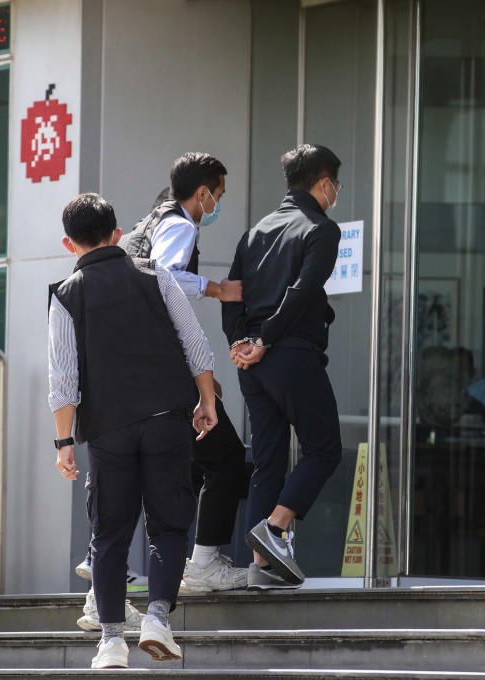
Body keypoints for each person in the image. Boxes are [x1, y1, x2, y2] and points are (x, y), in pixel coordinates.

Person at [48, 193, 217, 669]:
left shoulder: (66, 294)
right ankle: (158, 619)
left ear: (68, 244)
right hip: (167, 417)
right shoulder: (155, 274)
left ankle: (110, 643)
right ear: (118, 234)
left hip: (108, 428)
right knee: (168, 525)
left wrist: (64, 442)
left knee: (109, 534)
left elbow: (62, 380)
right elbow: (194, 340)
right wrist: (206, 400)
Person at [121, 153, 249, 593]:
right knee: (227, 459)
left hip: (138, 368)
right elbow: (168, 278)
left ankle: (106, 563)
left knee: (180, 467)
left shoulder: (148, 223)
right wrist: (218, 290)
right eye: (219, 196)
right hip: (166, 369)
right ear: (203, 193)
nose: (217, 205)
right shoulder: (179, 225)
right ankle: (204, 563)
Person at [222, 143, 344, 590]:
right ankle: (275, 529)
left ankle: (261, 566)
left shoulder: (255, 232)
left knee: (267, 461)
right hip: (290, 353)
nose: (336, 192)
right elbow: (302, 291)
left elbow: (232, 293)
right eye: (336, 184)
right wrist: (266, 340)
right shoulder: (321, 229)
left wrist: (241, 341)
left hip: (252, 366)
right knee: (324, 449)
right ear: (324, 182)